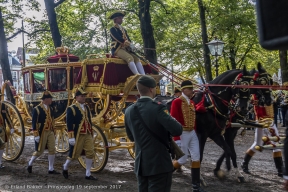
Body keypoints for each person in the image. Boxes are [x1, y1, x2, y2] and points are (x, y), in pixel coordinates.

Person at [125, 75, 182, 192]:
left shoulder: (129, 110)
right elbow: (177, 130)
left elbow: (131, 137)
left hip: (141, 165)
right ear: (151, 89)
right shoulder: (158, 108)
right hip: (159, 164)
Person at [170, 80, 205, 192]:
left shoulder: (192, 103)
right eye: (190, 89)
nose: (192, 91)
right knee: (182, 160)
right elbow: (173, 119)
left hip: (192, 133)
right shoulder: (177, 102)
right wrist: (176, 137)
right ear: (184, 90)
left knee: (196, 158)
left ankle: (196, 186)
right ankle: (164, 174)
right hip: (182, 133)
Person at [241, 94, 283, 177]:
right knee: (259, 144)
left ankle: (280, 169)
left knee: (274, 145)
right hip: (262, 122)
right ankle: (244, 163)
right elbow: (258, 110)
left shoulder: (267, 93)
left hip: (270, 122)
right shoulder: (256, 95)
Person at [62, 87, 97, 180]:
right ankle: (65, 167)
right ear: (76, 97)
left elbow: (89, 120)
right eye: (82, 96)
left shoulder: (87, 107)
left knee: (90, 152)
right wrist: (71, 136)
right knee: (74, 154)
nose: (84, 97)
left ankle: (88, 174)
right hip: (78, 134)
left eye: (84, 96)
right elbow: (69, 123)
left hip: (88, 132)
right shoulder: (71, 108)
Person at [27, 90, 59, 174]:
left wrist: (54, 129)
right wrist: (36, 134)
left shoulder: (50, 108)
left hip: (50, 131)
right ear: (45, 99)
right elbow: (34, 122)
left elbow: (52, 120)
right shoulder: (37, 109)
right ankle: (30, 163)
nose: (51, 100)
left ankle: (51, 168)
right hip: (42, 132)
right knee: (39, 151)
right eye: (50, 98)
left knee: (52, 149)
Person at [109, 11, 145, 75]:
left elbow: (128, 39)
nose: (121, 20)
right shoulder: (113, 29)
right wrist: (127, 43)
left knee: (136, 59)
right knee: (129, 58)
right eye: (120, 18)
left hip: (126, 49)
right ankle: (137, 74)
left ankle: (143, 75)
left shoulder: (123, 29)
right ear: (115, 19)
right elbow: (117, 38)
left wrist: (132, 45)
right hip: (117, 49)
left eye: (121, 18)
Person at [0, 93, 14, 168]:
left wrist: (11, 127)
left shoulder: (3, 105)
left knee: (2, 145)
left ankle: (0, 162)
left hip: (1, 128)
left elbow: (7, 117)